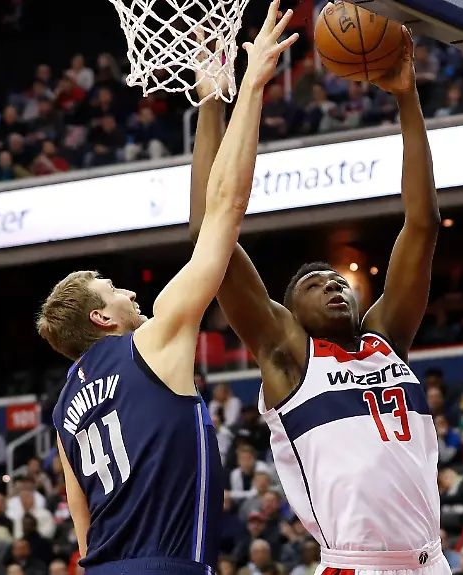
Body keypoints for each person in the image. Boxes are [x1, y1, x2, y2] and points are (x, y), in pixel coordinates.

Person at [37, 7, 298, 575]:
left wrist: (209, 104)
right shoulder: (150, 342)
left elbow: (83, 530)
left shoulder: (63, 413)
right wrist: (249, 87)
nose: (130, 294)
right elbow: (223, 210)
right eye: (113, 290)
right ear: (101, 319)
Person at [189, 13, 445, 575]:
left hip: (433, 561)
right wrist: (211, 103)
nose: (332, 284)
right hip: (357, 565)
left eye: (337, 280)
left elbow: (423, 223)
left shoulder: (385, 340)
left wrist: (407, 98)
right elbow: (209, 236)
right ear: (290, 313)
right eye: (313, 284)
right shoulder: (290, 356)